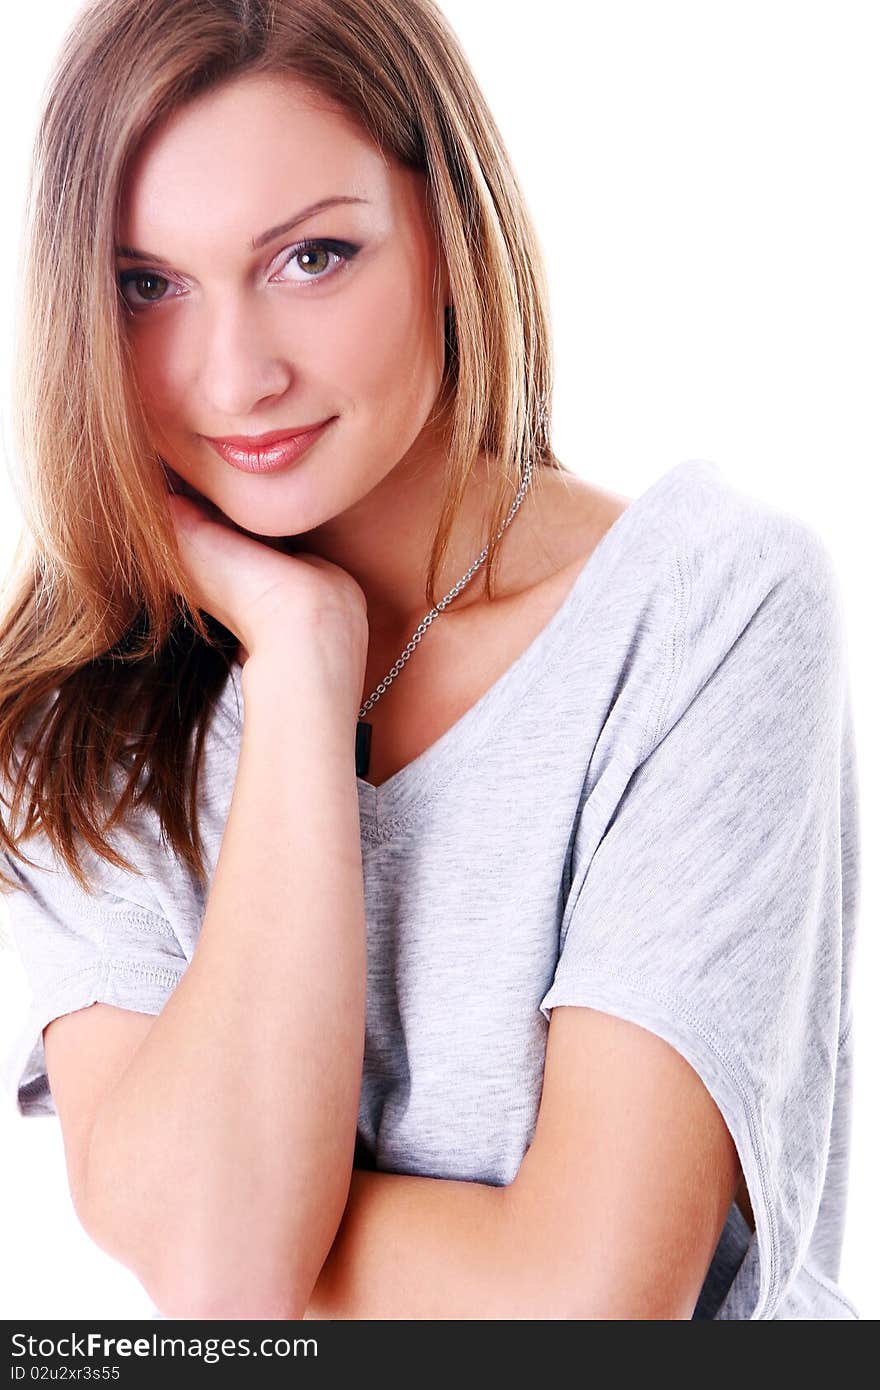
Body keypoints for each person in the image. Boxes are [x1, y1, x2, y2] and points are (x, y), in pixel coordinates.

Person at [0, 0, 859, 1322]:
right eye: (148, 285)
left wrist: (282, 1212)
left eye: (311, 258)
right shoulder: (82, 721)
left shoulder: (705, 607)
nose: (234, 379)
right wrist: (300, 656)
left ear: (449, 235)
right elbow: (221, 1269)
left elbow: (590, 1305)